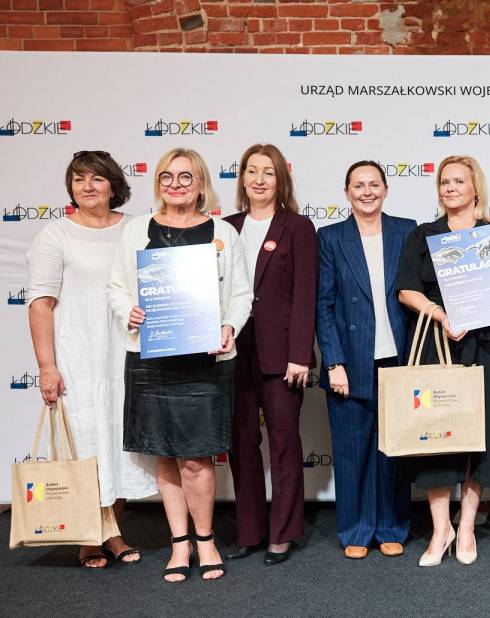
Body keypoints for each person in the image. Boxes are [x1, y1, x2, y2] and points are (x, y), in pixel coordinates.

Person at [107, 148, 252, 582]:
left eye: (186, 176)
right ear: (158, 183)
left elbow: (241, 293)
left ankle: (205, 540)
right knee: (166, 454)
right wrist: (129, 310)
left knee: (196, 456)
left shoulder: (223, 232)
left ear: (201, 183)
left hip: (205, 359)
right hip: (151, 357)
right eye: (167, 177)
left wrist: (229, 326)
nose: (176, 184)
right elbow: (116, 287)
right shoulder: (136, 230)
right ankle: (179, 544)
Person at [26, 150, 157, 569]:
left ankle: (110, 531)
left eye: (96, 178)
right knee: (86, 445)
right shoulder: (56, 235)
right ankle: (92, 536)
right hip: (79, 357)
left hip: (129, 353)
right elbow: (41, 303)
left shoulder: (136, 229)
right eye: (79, 179)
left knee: (119, 443)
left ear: (113, 185)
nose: (87, 186)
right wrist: (47, 366)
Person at [397, 155, 490, 567]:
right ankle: (441, 530)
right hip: (439, 345)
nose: (450, 188)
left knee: (480, 437)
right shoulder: (423, 236)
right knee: (437, 437)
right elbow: (406, 290)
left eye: (458, 181)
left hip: (488, 348)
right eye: (444, 182)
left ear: (475, 188)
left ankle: (467, 525)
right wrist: (441, 316)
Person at [223, 144, 317, 566]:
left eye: (268, 172)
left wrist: (300, 355)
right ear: (242, 178)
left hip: (282, 356)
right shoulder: (225, 228)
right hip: (230, 353)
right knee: (241, 443)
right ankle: (249, 532)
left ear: (281, 180)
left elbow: (305, 295)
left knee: (284, 443)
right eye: (252, 171)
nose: (259, 179)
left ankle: (283, 533)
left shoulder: (298, 227)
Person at [316, 161, 415, 560]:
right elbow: (323, 305)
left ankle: (390, 527)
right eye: (359, 185)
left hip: (398, 360)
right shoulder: (330, 237)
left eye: (374, 184)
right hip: (350, 361)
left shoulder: (406, 230)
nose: (367, 191)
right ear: (347, 193)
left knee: (394, 451)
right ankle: (356, 530)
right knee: (351, 453)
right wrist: (333, 362)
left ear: (386, 189)